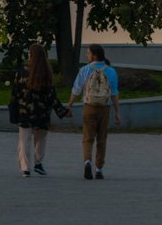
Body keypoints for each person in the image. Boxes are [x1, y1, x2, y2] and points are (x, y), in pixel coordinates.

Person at [9, 43, 70, 178]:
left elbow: (15, 91)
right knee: (40, 138)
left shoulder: (22, 70)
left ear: (30, 55)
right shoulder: (46, 72)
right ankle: (38, 163)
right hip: (41, 112)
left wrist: (13, 107)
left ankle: (25, 168)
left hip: (25, 111)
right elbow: (52, 96)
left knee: (24, 140)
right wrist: (62, 111)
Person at [66, 44, 121, 180]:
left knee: (87, 137)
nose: (87, 55)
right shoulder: (111, 71)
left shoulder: (85, 70)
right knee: (102, 138)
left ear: (94, 55)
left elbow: (76, 89)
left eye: (88, 53)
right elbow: (114, 93)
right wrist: (117, 112)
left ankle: (87, 161)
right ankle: (99, 169)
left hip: (89, 106)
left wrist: (69, 105)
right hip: (105, 108)